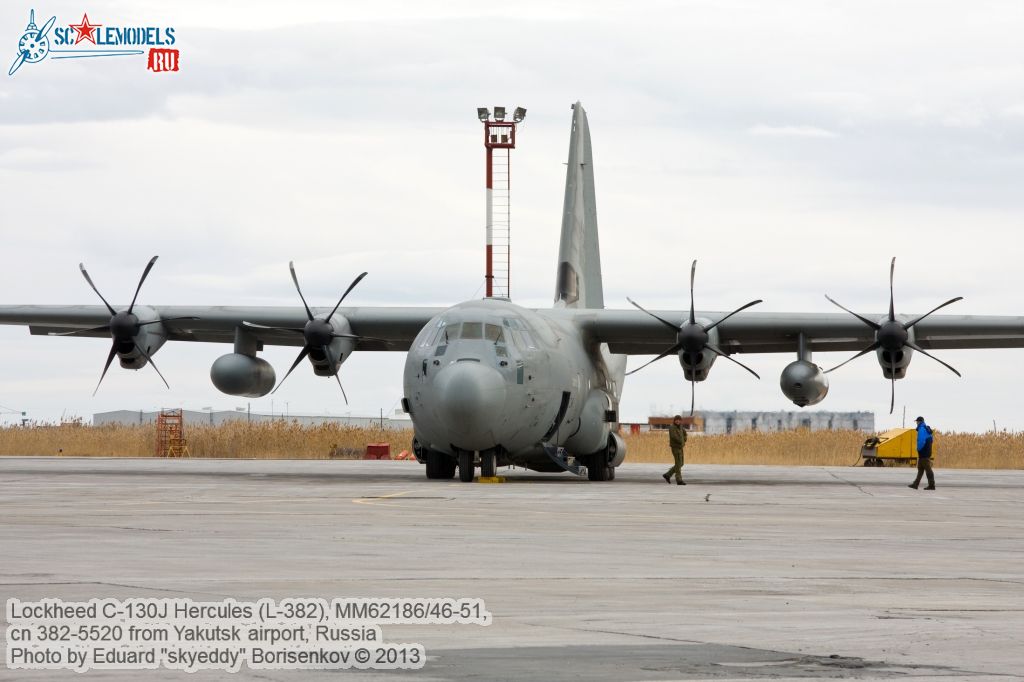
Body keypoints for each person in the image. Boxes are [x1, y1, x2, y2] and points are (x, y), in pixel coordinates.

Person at [909, 416, 935, 490]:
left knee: (928, 469)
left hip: (924, 452)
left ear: (919, 422)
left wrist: (919, 449)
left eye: (917, 421)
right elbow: (931, 440)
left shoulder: (922, 429)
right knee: (920, 469)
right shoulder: (927, 429)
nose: (916, 423)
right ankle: (915, 484)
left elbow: (921, 441)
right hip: (926, 451)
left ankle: (932, 485)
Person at [662, 415, 687, 485]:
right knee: (678, 464)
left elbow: (685, 434)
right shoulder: (672, 427)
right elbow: (673, 436)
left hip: (680, 447)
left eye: (679, 420)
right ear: (674, 420)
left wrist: (684, 440)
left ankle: (667, 475)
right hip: (675, 448)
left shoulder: (681, 427)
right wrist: (680, 441)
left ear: (681, 421)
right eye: (676, 420)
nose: (678, 421)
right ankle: (679, 480)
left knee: (681, 463)